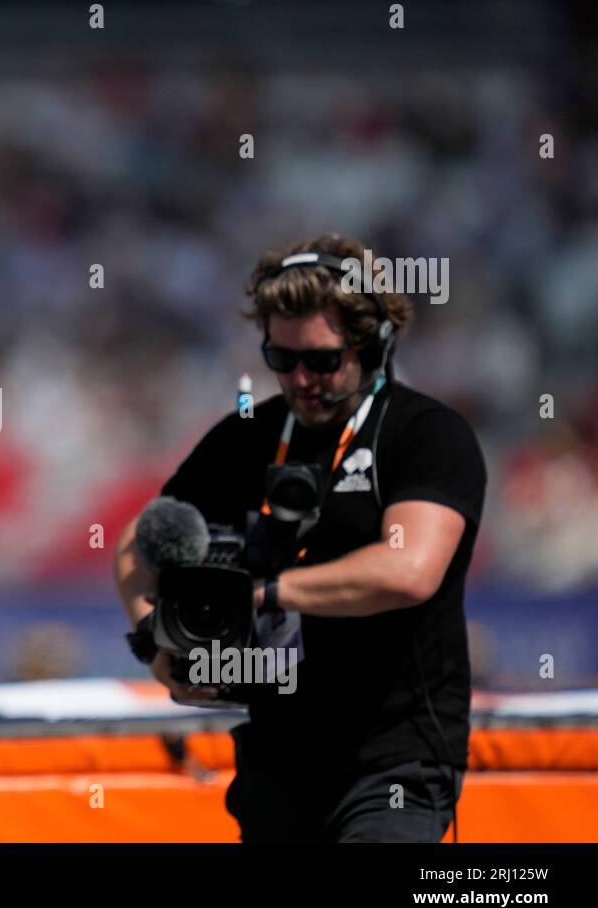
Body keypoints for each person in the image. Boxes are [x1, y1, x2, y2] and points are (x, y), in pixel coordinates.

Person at [114, 235, 486, 842]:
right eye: (281, 360)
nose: (301, 379)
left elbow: (409, 571)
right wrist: (154, 646)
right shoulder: (246, 434)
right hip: (276, 760)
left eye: (321, 360)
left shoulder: (427, 433)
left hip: (396, 762)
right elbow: (140, 540)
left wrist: (265, 593)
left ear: (372, 344)